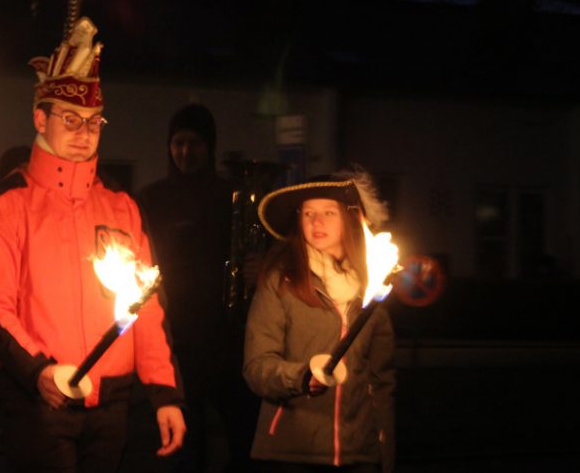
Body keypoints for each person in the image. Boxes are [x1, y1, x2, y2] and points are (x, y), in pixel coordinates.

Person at [0, 17, 186, 472]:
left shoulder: (122, 206)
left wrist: (165, 394)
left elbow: (145, 307)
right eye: (70, 119)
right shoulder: (10, 203)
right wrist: (38, 371)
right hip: (40, 399)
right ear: (39, 118)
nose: (84, 132)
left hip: (113, 402)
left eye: (92, 121)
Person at [243, 173, 395, 472]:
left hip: (358, 455)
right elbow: (256, 367)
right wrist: (302, 376)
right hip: (292, 453)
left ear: (349, 220)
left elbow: (382, 383)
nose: (316, 222)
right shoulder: (280, 280)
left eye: (328, 212)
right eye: (308, 213)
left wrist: (384, 454)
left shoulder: (371, 289)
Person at [134, 103, 256, 472]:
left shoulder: (230, 196)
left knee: (243, 430)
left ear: (210, 146)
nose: (185, 152)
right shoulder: (152, 198)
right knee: (189, 435)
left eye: (195, 143)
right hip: (177, 331)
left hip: (225, 333)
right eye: (178, 143)